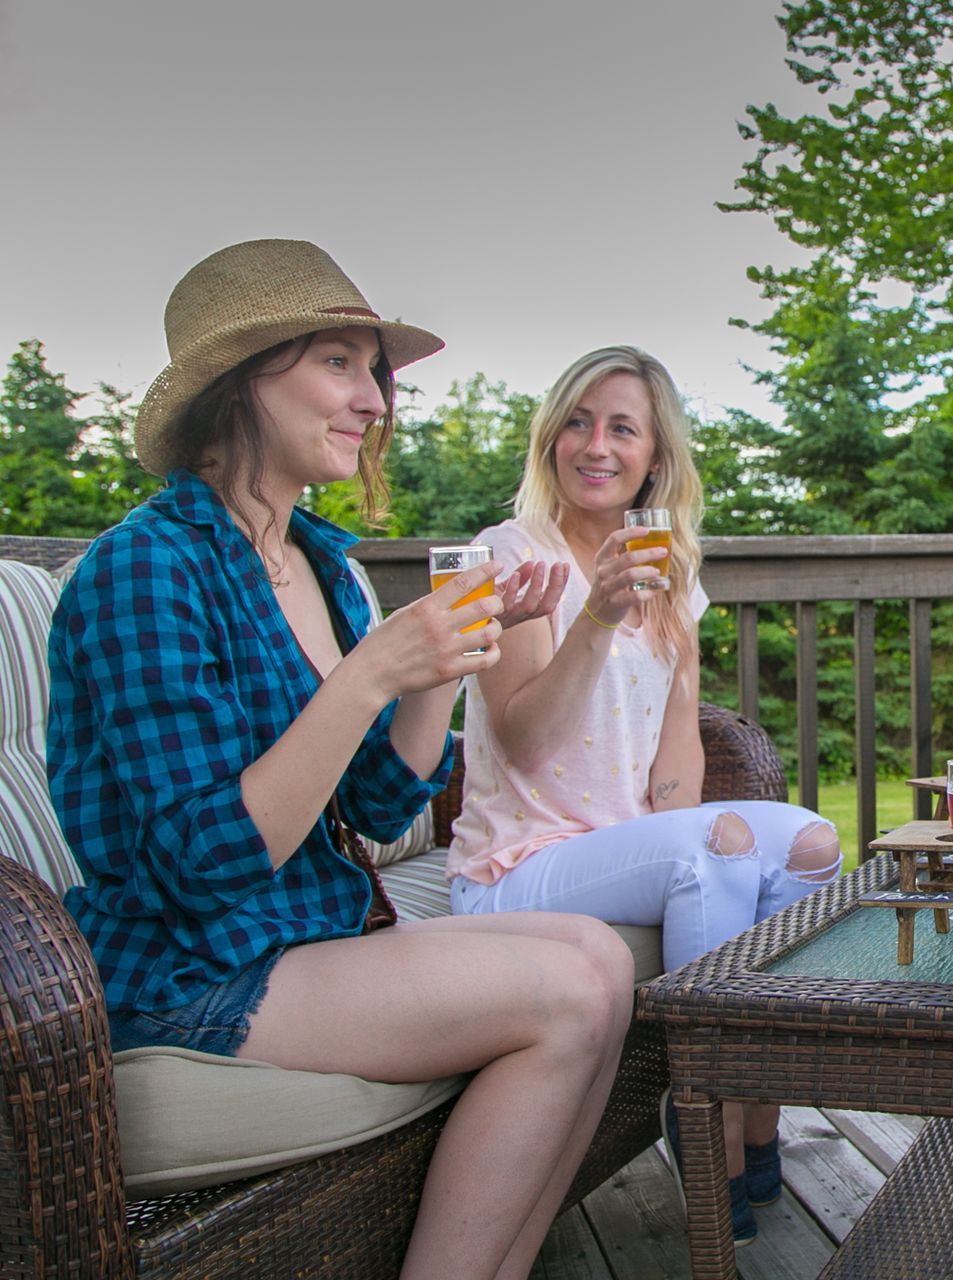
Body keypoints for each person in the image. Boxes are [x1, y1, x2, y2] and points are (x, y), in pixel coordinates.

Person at [47, 239, 632, 1280]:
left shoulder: (321, 560)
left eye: (375, 372)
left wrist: (447, 661)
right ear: (240, 381)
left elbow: (371, 796)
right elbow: (204, 858)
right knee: (567, 992)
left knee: (602, 958)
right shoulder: (144, 567)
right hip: (193, 968)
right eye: (337, 363)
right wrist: (370, 670)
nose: (374, 401)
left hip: (310, 929)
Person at [447, 345, 843, 1247]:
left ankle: (752, 1105)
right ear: (551, 439)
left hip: (615, 852)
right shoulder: (512, 557)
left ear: (654, 455)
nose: (596, 444)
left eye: (622, 427)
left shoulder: (671, 572)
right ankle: (701, 1117)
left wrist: (709, 850)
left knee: (812, 842)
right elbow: (519, 737)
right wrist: (597, 613)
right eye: (578, 422)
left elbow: (675, 771)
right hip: (517, 866)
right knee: (718, 848)